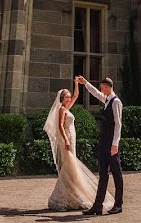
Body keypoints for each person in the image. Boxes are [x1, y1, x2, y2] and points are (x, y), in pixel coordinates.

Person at [43, 81, 113, 212]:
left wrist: (76, 83)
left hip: (72, 137)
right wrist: (66, 140)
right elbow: (60, 126)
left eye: (69, 97)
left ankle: (72, 195)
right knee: (70, 167)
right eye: (66, 97)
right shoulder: (61, 110)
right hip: (68, 139)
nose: (69, 99)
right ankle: (62, 196)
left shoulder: (66, 108)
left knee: (70, 167)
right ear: (62, 99)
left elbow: (76, 96)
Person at [76, 75, 123, 216]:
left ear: (108, 87)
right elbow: (96, 93)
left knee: (117, 174)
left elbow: (118, 124)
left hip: (111, 144)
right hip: (103, 143)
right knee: (103, 174)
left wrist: (115, 144)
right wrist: (85, 83)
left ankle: (118, 205)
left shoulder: (116, 102)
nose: (102, 91)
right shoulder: (107, 100)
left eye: (103, 88)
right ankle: (97, 206)